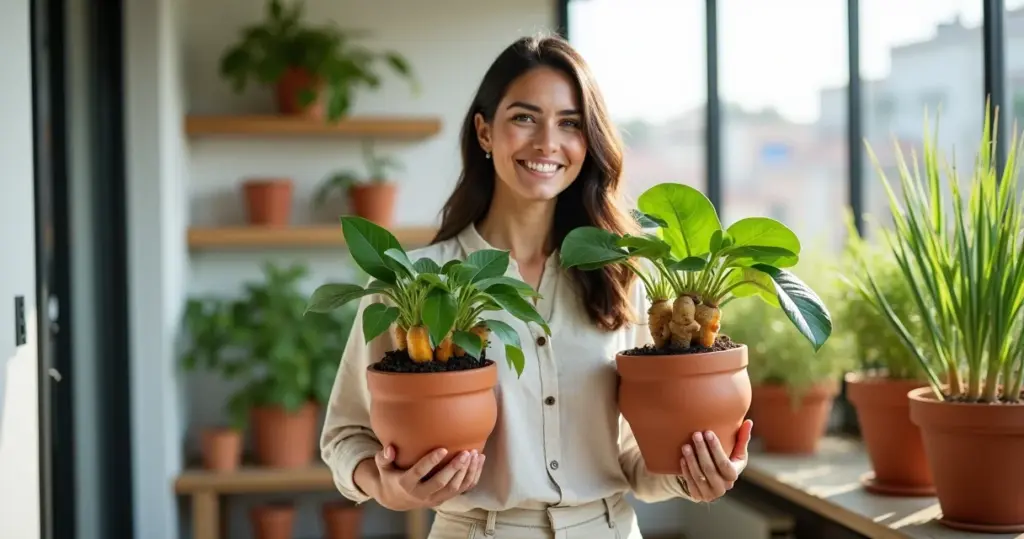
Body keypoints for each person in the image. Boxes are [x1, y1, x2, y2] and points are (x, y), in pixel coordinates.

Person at [320, 33, 754, 539]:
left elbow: (633, 457)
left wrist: (690, 475)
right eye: (525, 117)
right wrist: (386, 486)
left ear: (588, 141)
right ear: (484, 132)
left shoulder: (622, 276)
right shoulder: (412, 282)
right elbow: (345, 434)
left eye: (569, 123)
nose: (548, 142)